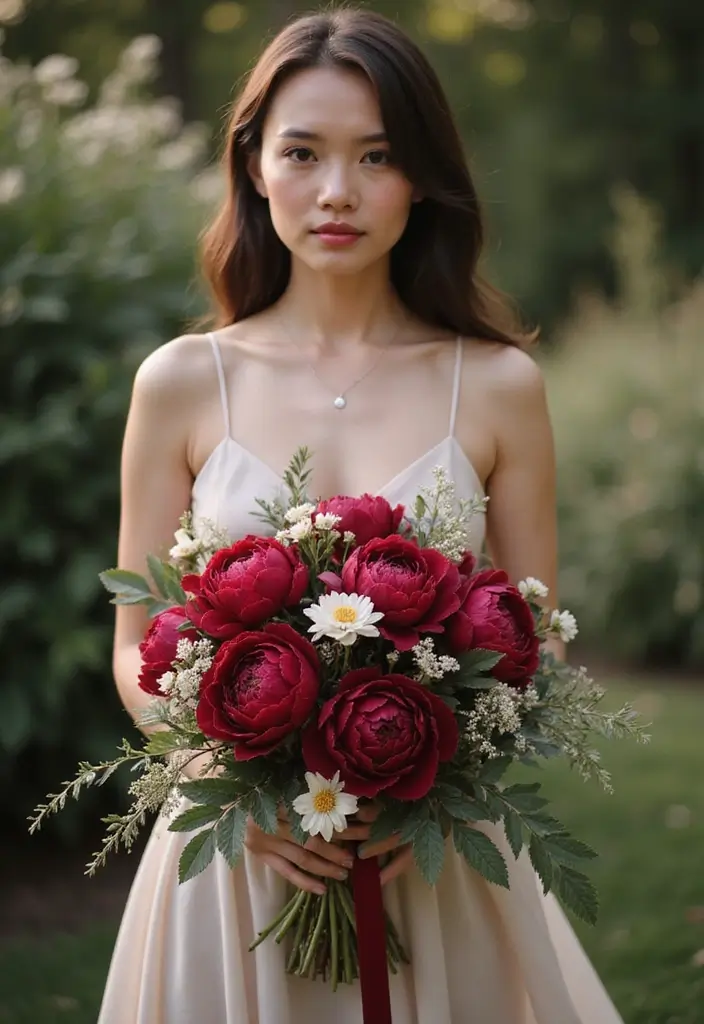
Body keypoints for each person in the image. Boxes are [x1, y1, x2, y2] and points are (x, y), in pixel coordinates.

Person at [100, 7, 624, 1023]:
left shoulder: (500, 385)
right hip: (239, 858)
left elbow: (533, 642)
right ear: (253, 163)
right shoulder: (179, 381)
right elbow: (134, 649)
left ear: (421, 175)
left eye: (376, 155)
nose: (336, 191)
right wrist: (227, 781)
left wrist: (430, 770)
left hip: (423, 847)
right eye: (302, 152)